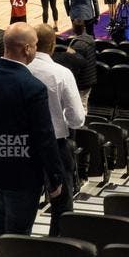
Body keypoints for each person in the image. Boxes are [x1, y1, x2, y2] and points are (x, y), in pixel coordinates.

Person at [0, 23, 64, 237]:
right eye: (35, 46)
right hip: (21, 176)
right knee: (19, 234)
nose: (36, 49)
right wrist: (55, 178)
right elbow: (44, 138)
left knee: (0, 225)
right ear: (27, 49)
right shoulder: (33, 87)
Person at [28, 24, 86, 235]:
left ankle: (16, 246)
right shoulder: (61, 73)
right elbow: (77, 119)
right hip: (55, 144)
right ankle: (57, 247)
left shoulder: (19, 70)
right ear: (53, 45)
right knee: (61, 203)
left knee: (21, 201)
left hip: (21, 145)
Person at [63, 18, 97, 110]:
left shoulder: (78, 46)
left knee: (81, 105)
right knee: (84, 102)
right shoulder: (90, 39)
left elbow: (74, 65)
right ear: (84, 28)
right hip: (90, 77)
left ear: (73, 29)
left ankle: (82, 123)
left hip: (82, 80)